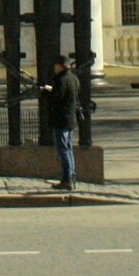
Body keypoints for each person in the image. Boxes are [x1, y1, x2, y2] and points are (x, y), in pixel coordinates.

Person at [41, 54, 82, 190]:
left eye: (56, 66)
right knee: (68, 148)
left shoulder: (61, 80)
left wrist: (46, 92)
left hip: (60, 119)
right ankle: (71, 176)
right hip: (70, 119)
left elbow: (56, 98)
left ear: (60, 66)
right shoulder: (74, 79)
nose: (55, 68)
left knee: (63, 149)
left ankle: (67, 179)